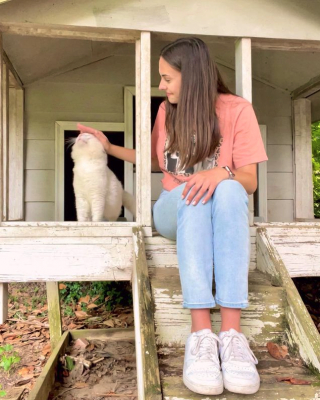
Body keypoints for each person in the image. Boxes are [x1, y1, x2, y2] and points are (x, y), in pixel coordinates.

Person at [77, 37, 268, 396]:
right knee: (192, 190)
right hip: (173, 208)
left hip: (217, 207)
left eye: (167, 78)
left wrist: (219, 172)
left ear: (192, 76)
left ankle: (230, 336)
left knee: (228, 187)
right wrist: (110, 147)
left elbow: (249, 181)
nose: (161, 86)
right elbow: (156, 161)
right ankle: (200, 334)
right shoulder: (168, 111)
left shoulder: (238, 110)